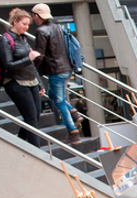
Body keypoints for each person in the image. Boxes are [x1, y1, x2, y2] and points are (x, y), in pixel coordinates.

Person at [31, 3, 81, 144]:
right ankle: (74, 113)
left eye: (33, 16)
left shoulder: (41, 30)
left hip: (56, 70)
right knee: (53, 95)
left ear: (37, 16)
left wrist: (34, 70)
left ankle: (73, 131)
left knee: (59, 101)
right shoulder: (58, 27)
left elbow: (40, 54)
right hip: (66, 68)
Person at [0, 8, 43, 147]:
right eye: (24, 24)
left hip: (31, 80)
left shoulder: (23, 38)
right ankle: (36, 152)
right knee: (31, 119)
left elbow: (31, 64)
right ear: (15, 22)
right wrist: (29, 58)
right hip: (16, 82)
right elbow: (8, 65)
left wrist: (40, 83)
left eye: (28, 24)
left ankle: (19, 142)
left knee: (35, 116)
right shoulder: (5, 39)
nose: (26, 27)